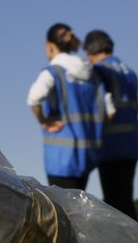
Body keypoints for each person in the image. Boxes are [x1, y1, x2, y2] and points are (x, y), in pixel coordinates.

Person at [27, 23, 103, 190]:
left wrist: (44, 121)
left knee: (64, 211)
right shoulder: (91, 74)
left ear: (49, 45)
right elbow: (108, 109)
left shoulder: (53, 72)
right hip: (87, 153)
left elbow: (34, 98)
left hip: (60, 156)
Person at [84, 29, 138, 221]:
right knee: (125, 200)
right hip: (131, 144)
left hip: (111, 145)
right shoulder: (129, 71)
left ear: (90, 51)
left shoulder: (101, 71)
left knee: (115, 204)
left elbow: (100, 108)